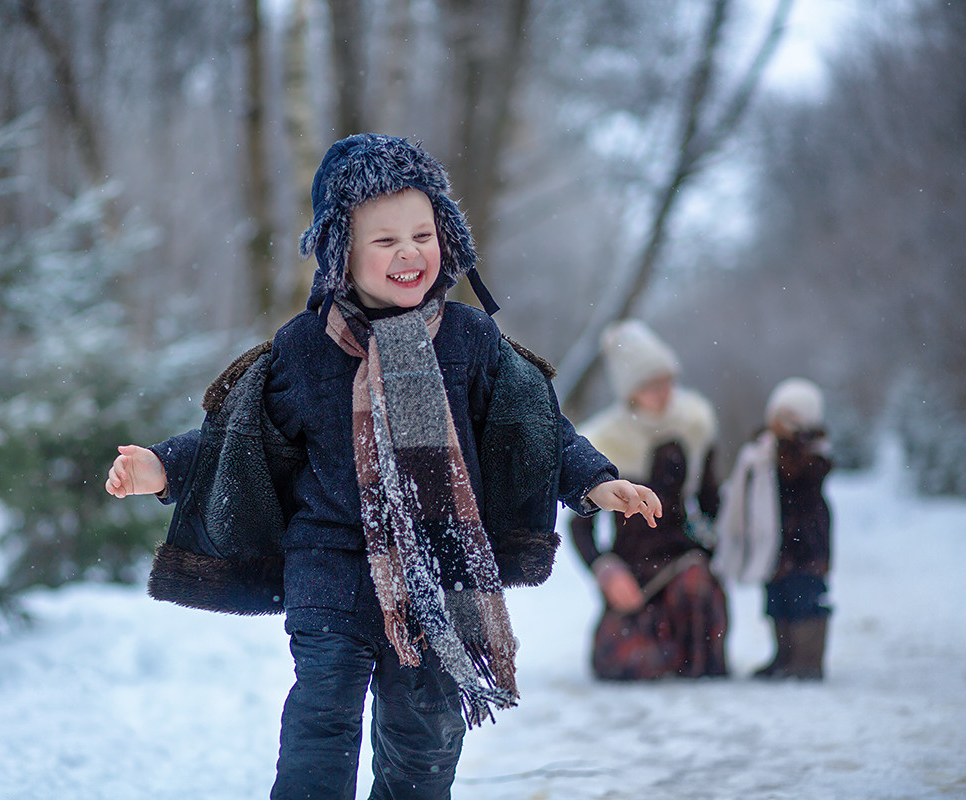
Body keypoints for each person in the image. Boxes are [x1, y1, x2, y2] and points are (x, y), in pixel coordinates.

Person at [105, 133, 662, 799]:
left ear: (446, 236)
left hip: (439, 568)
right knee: (323, 714)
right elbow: (241, 438)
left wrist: (597, 481)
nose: (409, 253)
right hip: (330, 564)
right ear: (343, 250)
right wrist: (162, 468)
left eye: (422, 234)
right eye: (385, 240)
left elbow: (535, 429)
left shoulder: (469, 341)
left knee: (423, 737)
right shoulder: (305, 350)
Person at [569, 319, 729, 680]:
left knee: (695, 592)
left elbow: (710, 504)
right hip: (632, 567)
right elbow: (581, 526)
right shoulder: (604, 439)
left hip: (683, 560)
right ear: (630, 390)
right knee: (629, 662)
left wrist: (715, 547)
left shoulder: (695, 424)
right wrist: (606, 571)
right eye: (650, 384)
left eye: (667, 380)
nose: (663, 392)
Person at [713, 377, 833, 681]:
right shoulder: (761, 453)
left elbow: (802, 476)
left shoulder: (812, 455)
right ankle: (783, 655)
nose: (782, 424)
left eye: (792, 418)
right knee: (776, 599)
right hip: (773, 542)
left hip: (804, 543)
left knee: (805, 599)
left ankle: (807, 660)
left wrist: (789, 447)